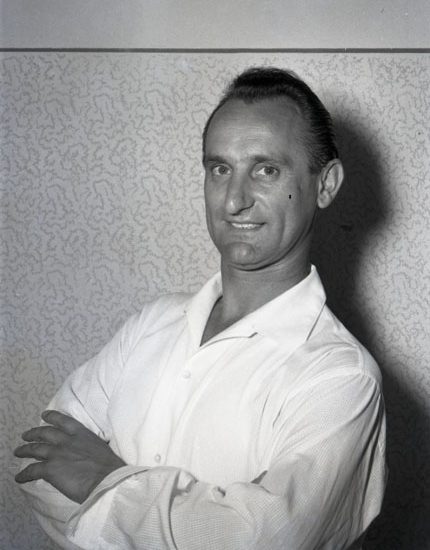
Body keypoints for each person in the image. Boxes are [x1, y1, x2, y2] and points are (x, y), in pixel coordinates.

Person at [14, 67, 386, 550]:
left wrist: (103, 481)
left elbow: (257, 542)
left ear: (326, 184)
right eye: (220, 169)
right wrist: (187, 519)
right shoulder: (153, 322)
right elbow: (38, 467)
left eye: (266, 170)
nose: (234, 201)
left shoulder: (341, 378)